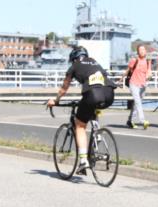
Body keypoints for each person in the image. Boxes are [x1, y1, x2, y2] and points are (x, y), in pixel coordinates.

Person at [47, 46, 115, 174]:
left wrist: (55, 100)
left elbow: (64, 88)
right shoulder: (94, 62)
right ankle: (97, 132)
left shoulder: (74, 66)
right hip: (109, 93)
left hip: (93, 94)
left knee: (80, 125)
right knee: (93, 107)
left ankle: (83, 161)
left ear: (74, 59)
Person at [124, 45, 150, 129]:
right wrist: (121, 79)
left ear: (146, 51)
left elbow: (148, 72)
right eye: (140, 50)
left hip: (143, 85)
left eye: (143, 49)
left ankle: (130, 120)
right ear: (138, 52)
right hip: (133, 83)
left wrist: (149, 76)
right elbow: (128, 70)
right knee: (138, 102)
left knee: (136, 104)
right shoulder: (134, 60)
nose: (142, 51)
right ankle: (143, 121)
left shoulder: (147, 61)